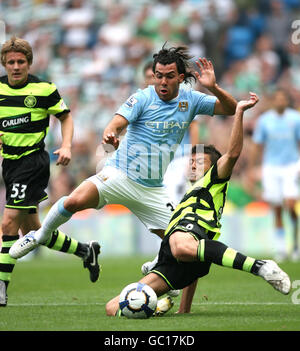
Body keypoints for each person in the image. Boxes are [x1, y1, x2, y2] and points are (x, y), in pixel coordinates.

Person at [9, 44, 237, 311]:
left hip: (152, 190)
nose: (162, 81)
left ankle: (170, 289)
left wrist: (213, 87)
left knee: (185, 246)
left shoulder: (192, 99)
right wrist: (110, 138)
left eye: (168, 76)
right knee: (72, 201)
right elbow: (114, 125)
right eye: (158, 75)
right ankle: (38, 237)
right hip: (119, 174)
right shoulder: (141, 98)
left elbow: (231, 109)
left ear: (180, 77)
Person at [105, 92, 292, 317]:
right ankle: (159, 305)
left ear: (212, 166)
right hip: (175, 260)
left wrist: (239, 113)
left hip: (189, 238)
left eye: (199, 161)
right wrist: (185, 310)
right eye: (191, 160)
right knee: (113, 307)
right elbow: (191, 263)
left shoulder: (213, 180)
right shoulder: (185, 194)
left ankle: (260, 266)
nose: (192, 164)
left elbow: (233, 153)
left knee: (182, 245)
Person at [0, 37, 100, 307]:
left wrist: (66, 145)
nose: (16, 66)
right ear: (5, 64)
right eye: (11, 62)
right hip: (9, 165)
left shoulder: (43, 88)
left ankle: (1, 287)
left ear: (29, 63)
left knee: (8, 222)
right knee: (33, 231)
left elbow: (65, 116)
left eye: (21, 61)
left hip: (32, 162)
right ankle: (85, 250)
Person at [249, 89, 300, 261]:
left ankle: (295, 244)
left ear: (287, 101)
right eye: (277, 98)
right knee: (277, 208)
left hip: (291, 166)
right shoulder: (264, 120)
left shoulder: (295, 118)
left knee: (291, 204)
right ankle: (281, 249)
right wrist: (252, 167)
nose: (280, 101)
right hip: (271, 167)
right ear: (273, 101)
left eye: (283, 98)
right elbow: (257, 144)